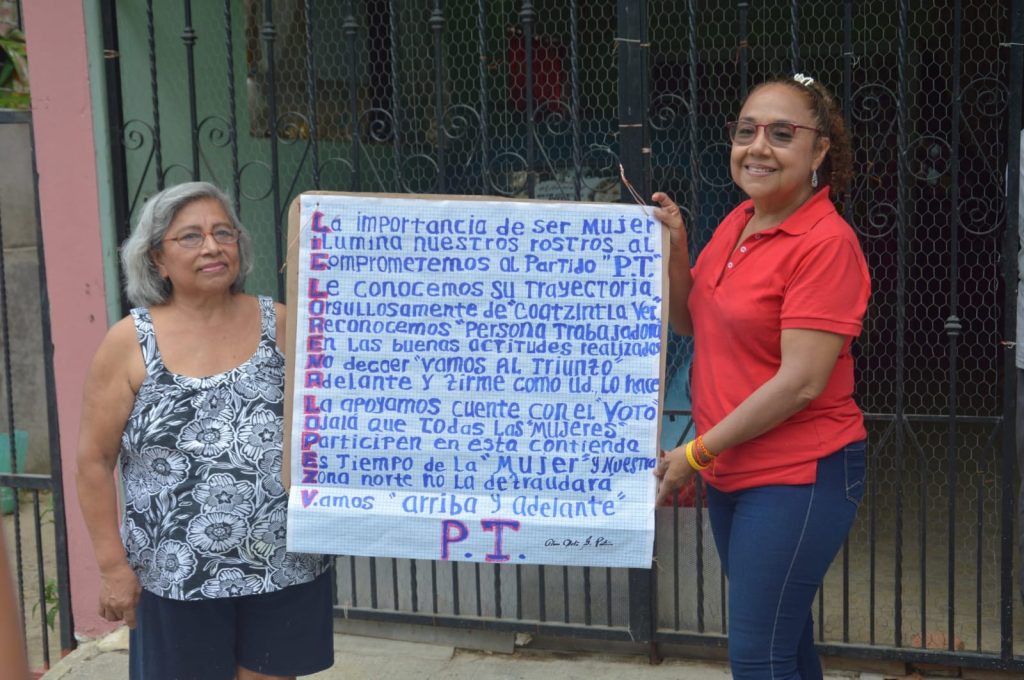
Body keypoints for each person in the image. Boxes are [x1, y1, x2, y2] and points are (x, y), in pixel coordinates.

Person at [652, 74, 870, 679]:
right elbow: (691, 321)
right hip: (732, 467)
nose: (758, 147)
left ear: (819, 150)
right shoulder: (739, 222)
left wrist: (696, 452)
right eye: (746, 131)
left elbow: (801, 383)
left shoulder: (826, 244)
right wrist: (678, 247)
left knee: (758, 657)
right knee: (784, 644)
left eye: (781, 134)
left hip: (799, 474)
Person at [76, 182, 333, 680]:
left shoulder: (282, 324)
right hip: (177, 573)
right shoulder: (129, 342)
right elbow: (93, 461)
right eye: (191, 237)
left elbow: (324, 426)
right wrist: (112, 567)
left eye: (224, 233)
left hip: (283, 564)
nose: (213, 246)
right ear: (157, 258)